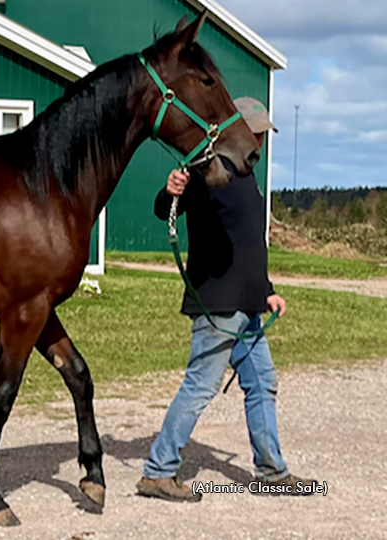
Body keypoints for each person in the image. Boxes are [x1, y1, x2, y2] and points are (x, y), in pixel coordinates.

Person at [135, 97, 315, 501]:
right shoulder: (207, 170)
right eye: (257, 134)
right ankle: (158, 472)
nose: (261, 143)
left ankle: (271, 472)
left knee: (262, 383)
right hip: (217, 303)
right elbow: (165, 208)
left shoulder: (248, 176)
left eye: (264, 136)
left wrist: (266, 291)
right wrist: (170, 190)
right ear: (238, 130)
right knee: (200, 385)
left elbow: (248, 241)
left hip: (248, 305)